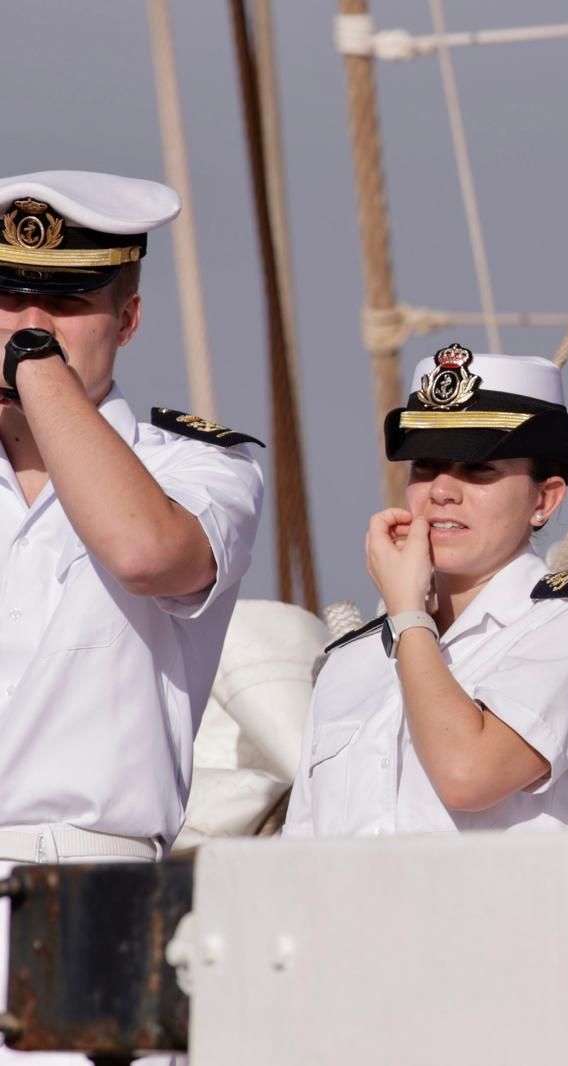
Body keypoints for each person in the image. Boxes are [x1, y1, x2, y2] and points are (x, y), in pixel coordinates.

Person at [0, 171, 264, 1064]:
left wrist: (36, 370)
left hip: (86, 886)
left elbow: (148, 553)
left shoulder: (198, 468)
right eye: (4, 299)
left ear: (129, 318)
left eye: (64, 303)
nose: (27, 323)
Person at [283, 346, 568, 834]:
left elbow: (468, 774)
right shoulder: (352, 661)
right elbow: (303, 848)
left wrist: (408, 614)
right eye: (425, 466)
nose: (442, 490)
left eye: (479, 470)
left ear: (545, 499)